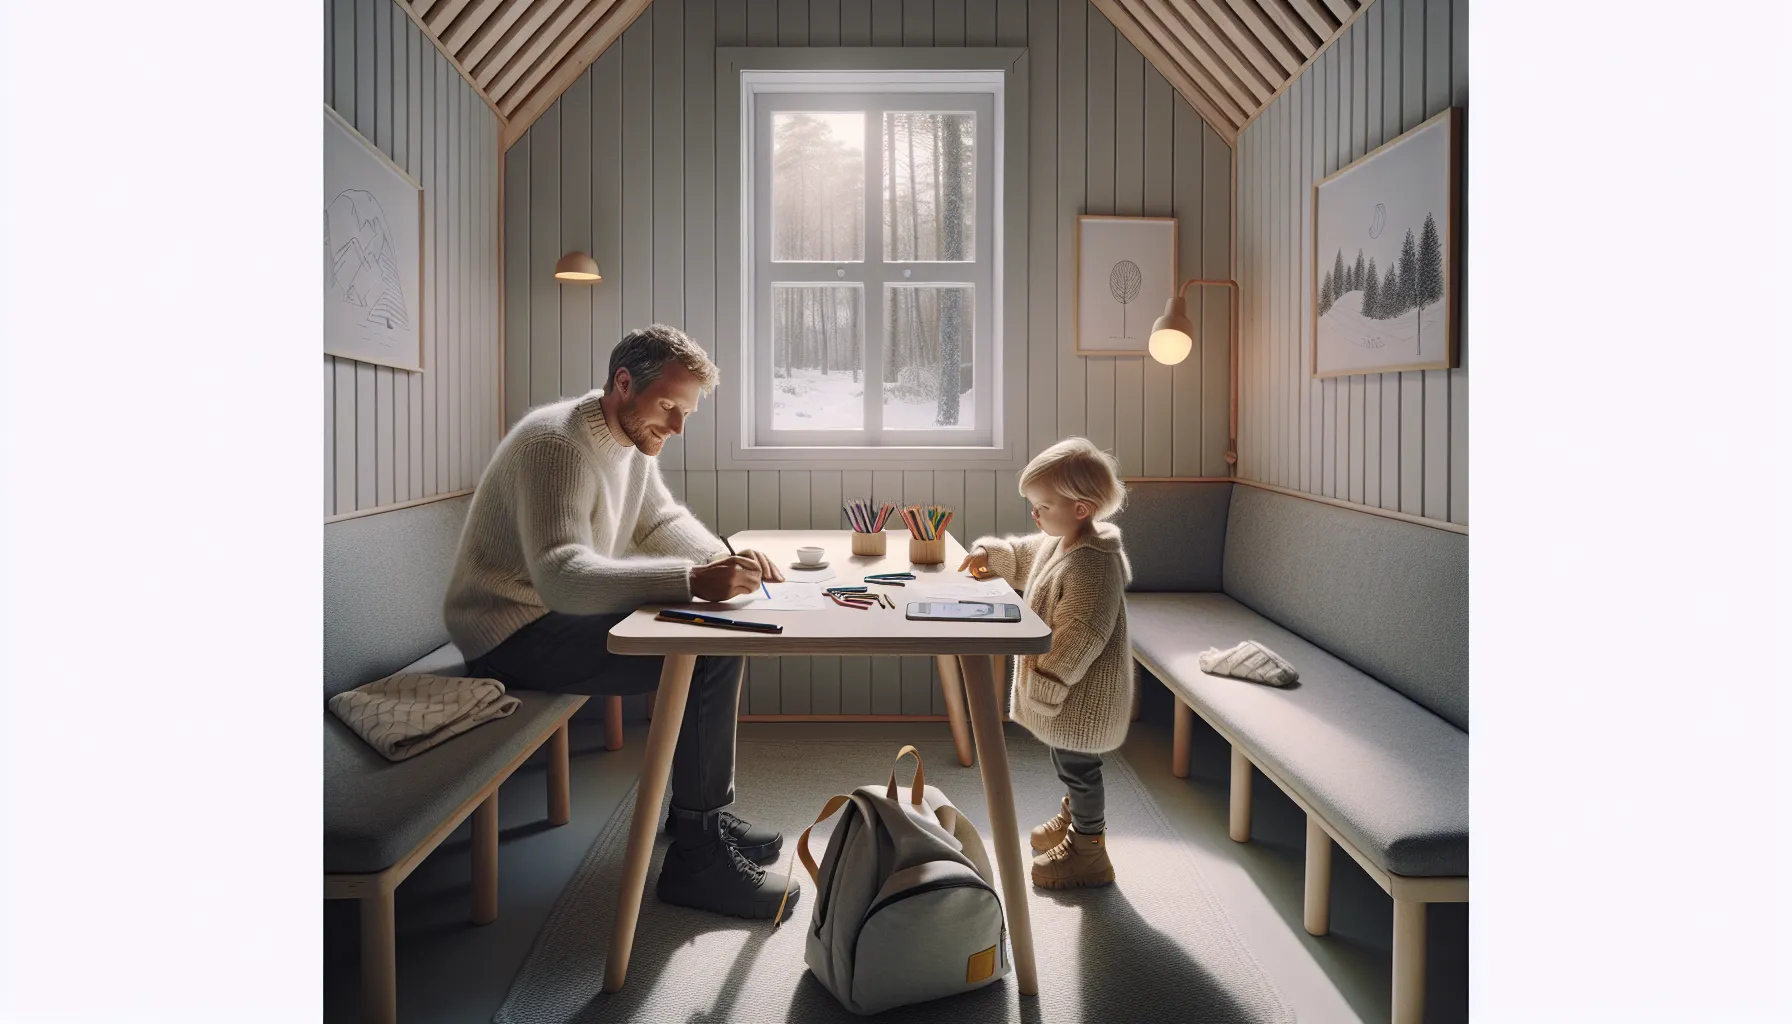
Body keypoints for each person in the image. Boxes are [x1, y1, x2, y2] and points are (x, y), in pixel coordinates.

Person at [443, 323, 799, 920]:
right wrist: (690, 582)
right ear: (624, 383)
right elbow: (559, 575)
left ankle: (698, 819)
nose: (678, 426)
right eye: (669, 407)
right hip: (508, 632)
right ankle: (697, 860)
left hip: (547, 615)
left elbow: (658, 521)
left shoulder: (629, 442)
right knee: (710, 647)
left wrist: (719, 557)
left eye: (686, 412)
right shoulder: (553, 445)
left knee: (716, 634)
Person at [958, 438, 1133, 889]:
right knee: (1067, 760)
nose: (1035, 515)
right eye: (1032, 505)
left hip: (1081, 693)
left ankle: (1089, 849)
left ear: (1081, 508)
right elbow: (1022, 556)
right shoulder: (1064, 542)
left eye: (1043, 505)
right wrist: (990, 557)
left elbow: (1082, 637)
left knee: (1079, 765)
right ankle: (1076, 815)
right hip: (1068, 693)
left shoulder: (1092, 564)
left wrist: (1046, 684)